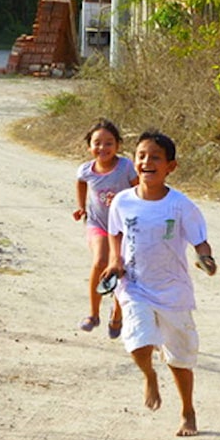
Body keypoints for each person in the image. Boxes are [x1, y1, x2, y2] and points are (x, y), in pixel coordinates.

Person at [103, 130, 216, 436]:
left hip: (173, 291)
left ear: (171, 166)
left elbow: (200, 242)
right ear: (134, 161)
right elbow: (115, 233)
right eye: (141, 156)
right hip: (135, 285)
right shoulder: (122, 202)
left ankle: (187, 411)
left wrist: (206, 260)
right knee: (137, 340)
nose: (147, 162)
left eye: (155, 157)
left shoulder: (181, 206)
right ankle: (149, 375)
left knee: (180, 358)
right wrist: (115, 260)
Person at [72, 118, 138, 337]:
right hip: (97, 224)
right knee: (100, 261)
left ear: (118, 145)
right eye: (97, 143)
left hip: (123, 228)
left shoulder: (126, 167)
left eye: (109, 143)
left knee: (121, 269)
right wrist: (81, 207)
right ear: (89, 146)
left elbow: (139, 189)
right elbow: (81, 183)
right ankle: (93, 313)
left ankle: (117, 314)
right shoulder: (86, 170)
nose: (103, 148)